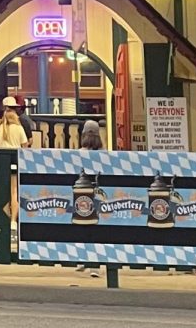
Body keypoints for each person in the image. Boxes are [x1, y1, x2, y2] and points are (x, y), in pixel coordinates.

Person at [75, 119, 103, 278]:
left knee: (83, 229)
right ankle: (93, 264)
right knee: (96, 231)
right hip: (99, 198)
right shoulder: (104, 154)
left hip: (82, 198)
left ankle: (85, 260)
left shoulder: (79, 153)